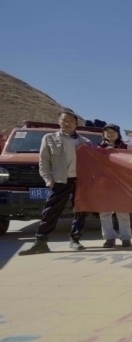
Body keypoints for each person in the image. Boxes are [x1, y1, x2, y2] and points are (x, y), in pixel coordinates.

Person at [19, 109, 93, 255]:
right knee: (51, 211)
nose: (68, 123)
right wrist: (48, 179)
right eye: (64, 120)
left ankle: (75, 239)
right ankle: (40, 241)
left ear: (76, 123)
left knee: (80, 210)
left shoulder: (85, 142)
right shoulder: (49, 138)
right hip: (60, 180)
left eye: (71, 121)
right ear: (59, 122)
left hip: (80, 180)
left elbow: (93, 162)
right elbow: (44, 161)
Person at [97, 123, 132, 248]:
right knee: (105, 212)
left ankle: (126, 238)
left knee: (122, 211)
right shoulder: (97, 148)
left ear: (118, 134)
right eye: (107, 132)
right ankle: (109, 238)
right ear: (103, 134)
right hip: (104, 183)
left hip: (122, 184)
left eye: (113, 131)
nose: (110, 134)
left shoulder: (126, 147)